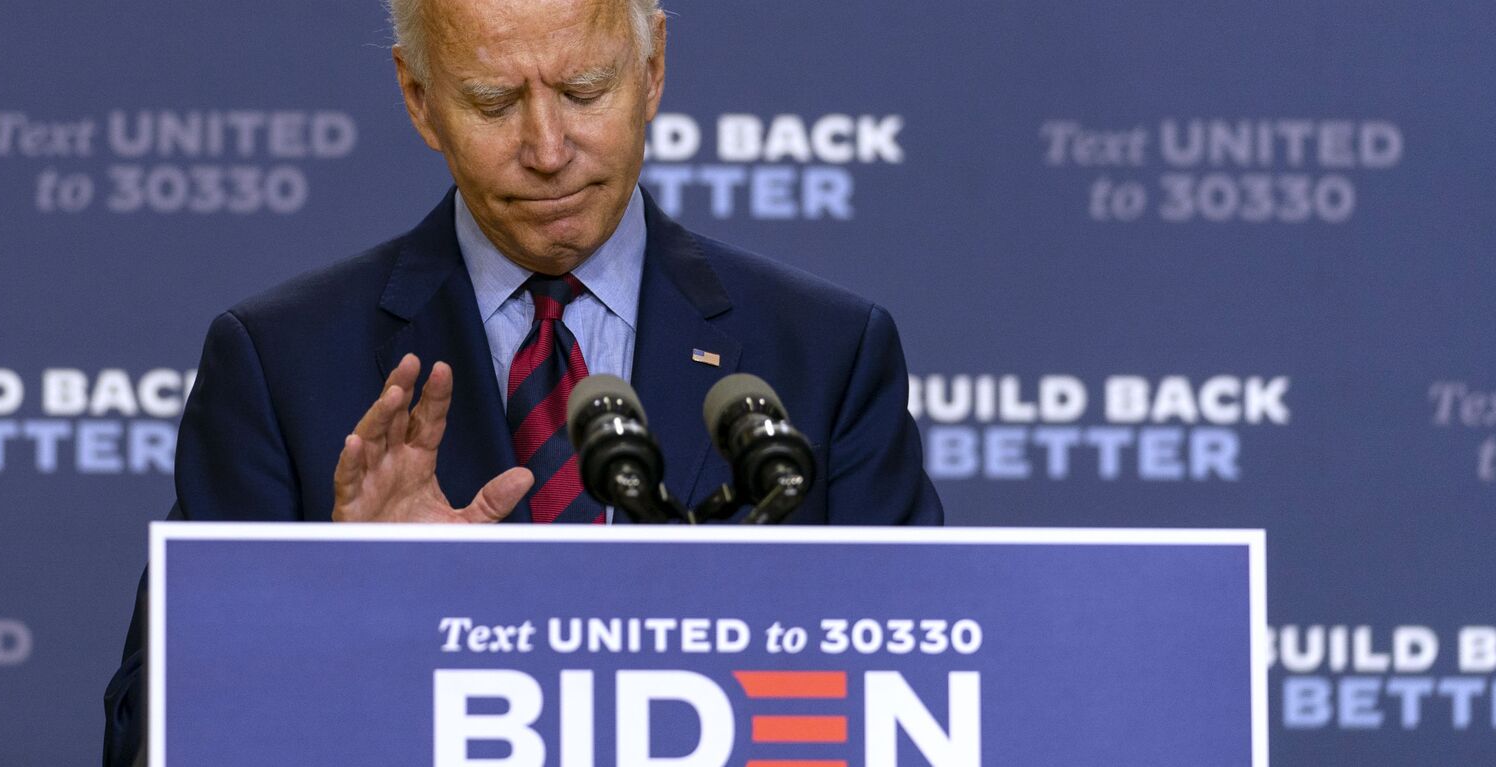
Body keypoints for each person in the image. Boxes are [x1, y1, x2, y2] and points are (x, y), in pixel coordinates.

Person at [104, 0, 942, 761]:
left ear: (652, 73)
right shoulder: (279, 363)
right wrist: (345, 603)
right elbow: (145, 736)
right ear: (418, 98)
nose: (547, 149)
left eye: (583, 91)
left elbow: (923, 705)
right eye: (495, 103)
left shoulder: (827, 356)